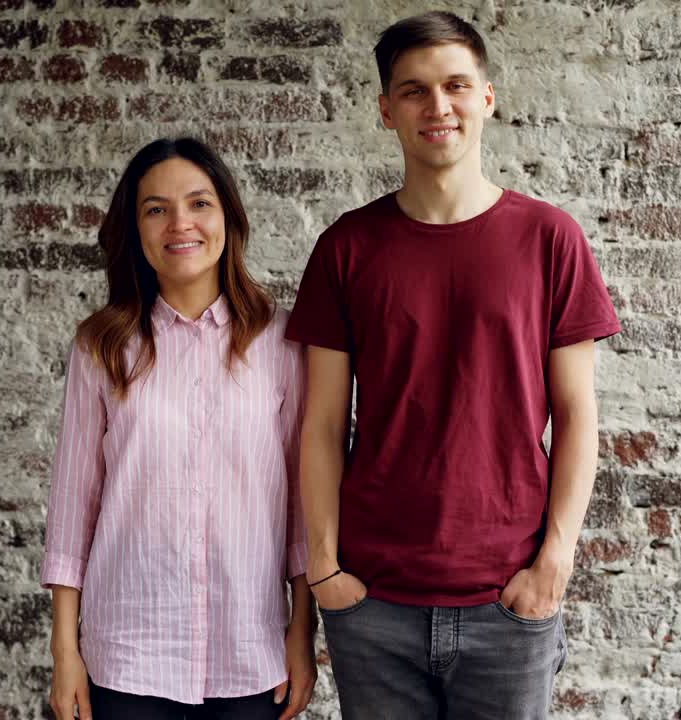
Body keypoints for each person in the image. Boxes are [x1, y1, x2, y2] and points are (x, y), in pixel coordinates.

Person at [286, 11, 622, 720]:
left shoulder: (550, 239)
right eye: (413, 91)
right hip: (374, 602)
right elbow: (320, 422)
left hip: (509, 598)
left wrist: (555, 561)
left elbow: (579, 415)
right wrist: (325, 567)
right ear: (386, 111)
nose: (437, 107)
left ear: (487, 98)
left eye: (455, 86)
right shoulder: (347, 248)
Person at [40, 137, 316, 720]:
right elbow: (73, 507)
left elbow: (301, 502)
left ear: (228, 219)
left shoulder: (282, 342)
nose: (179, 223)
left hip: (250, 653)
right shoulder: (101, 346)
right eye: (156, 208)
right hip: (126, 656)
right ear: (136, 229)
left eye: (199, 203)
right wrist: (66, 650)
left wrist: (301, 631)